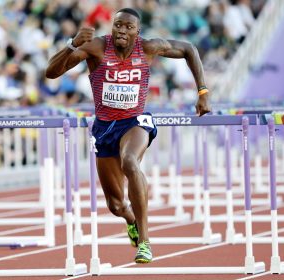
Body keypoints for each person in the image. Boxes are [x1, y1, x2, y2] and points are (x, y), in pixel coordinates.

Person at [46, 7, 211, 263]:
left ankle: (145, 242)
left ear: (138, 31)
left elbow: (189, 49)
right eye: (118, 25)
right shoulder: (97, 47)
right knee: (115, 205)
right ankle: (131, 219)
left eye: (128, 27)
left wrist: (202, 92)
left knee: (131, 162)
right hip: (104, 128)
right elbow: (51, 73)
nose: (122, 30)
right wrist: (71, 45)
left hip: (134, 121)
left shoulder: (147, 48)